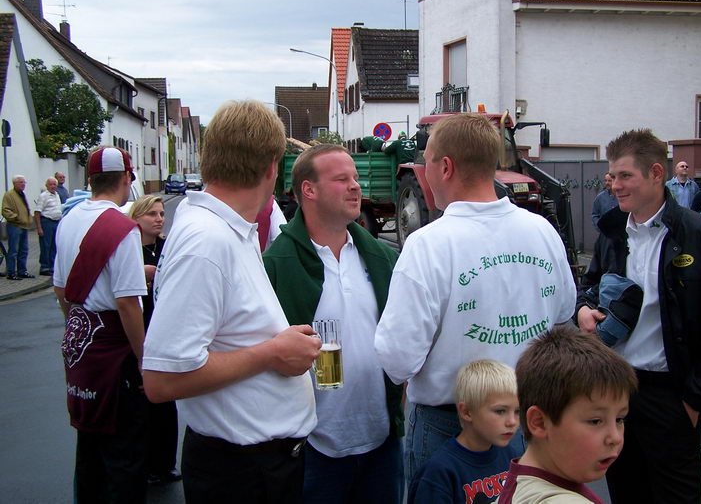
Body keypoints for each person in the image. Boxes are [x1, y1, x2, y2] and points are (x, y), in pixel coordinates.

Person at [374, 113, 576, 479]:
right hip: (522, 419)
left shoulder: (428, 244)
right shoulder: (543, 232)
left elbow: (398, 358)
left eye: (427, 161)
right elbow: (562, 320)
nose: (425, 170)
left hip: (449, 427)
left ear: (446, 167)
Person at [142, 100, 320, 504]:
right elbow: (162, 379)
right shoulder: (208, 241)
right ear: (273, 166)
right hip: (242, 473)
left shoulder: (225, 228)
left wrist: (276, 342)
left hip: (254, 466)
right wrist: (274, 352)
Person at [576, 128, 701, 504]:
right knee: (626, 493)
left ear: (656, 173)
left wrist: (695, 403)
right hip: (616, 394)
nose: (614, 185)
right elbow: (588, 288)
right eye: (612, 176)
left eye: (624, 176)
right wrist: (584, 309)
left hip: (672, 396)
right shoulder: (612, 233)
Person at [264, 144, 404, 503]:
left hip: (382, 442)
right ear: (308, 190)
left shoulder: (383, 257)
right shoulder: (276, 263)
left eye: (355, 178)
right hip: (313, 448)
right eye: (342, 179)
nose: (356, 186)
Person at [53, 147, 148, 502]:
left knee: (89, 443)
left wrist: (78, 328)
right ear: (127, 178)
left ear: (89, 180)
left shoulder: (68, 220)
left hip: (81, 346)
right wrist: (143, 359)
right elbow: (126, 303)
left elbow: (61, 289)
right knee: (125, 453)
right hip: (115, 352)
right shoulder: (124, 228)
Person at [498, 327, 637, 504]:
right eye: (595, 421)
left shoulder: (515, 486)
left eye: (619, 419)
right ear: (539, 422)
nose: (615, 438)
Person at [408, 360, 523, 504]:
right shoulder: (439, 473)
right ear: (466, 411)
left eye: (517, 411)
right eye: (500, 411)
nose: (512, 421)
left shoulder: (509, 455)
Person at [128, 195, 181, 485]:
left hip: (162, 323)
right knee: (142, 406)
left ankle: (165, 463)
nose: (159, 219)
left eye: (161, 213)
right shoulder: (129, 250)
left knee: (166, 405)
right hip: (141, 323)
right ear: (136, 218)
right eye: (151, 214)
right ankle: (144, 463)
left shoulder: (165, 247)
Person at [2, 175, 35, 280]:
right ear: (14, 183)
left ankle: (22, 271)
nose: (23, 184)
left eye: (24, 182)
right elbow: (5, 210)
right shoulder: (9, 195)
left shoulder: (22, 194)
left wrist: (28, 220)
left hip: (24, 226)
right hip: (14, 226)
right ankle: (11, 272)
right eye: (21, 182)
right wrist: (16, 218)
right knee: (13, 250)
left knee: (24, 250)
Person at [33, 177, 62, 276]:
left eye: (54, 184)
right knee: (46, 246)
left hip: (56, 222)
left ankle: (52, 266)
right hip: (46, 222)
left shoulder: (57, 195)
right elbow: (37, 212)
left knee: (54, 246)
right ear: (46, 185)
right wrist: (39, 228)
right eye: (51, 184)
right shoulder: (44, 196)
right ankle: (44, 267)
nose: (53, 186)